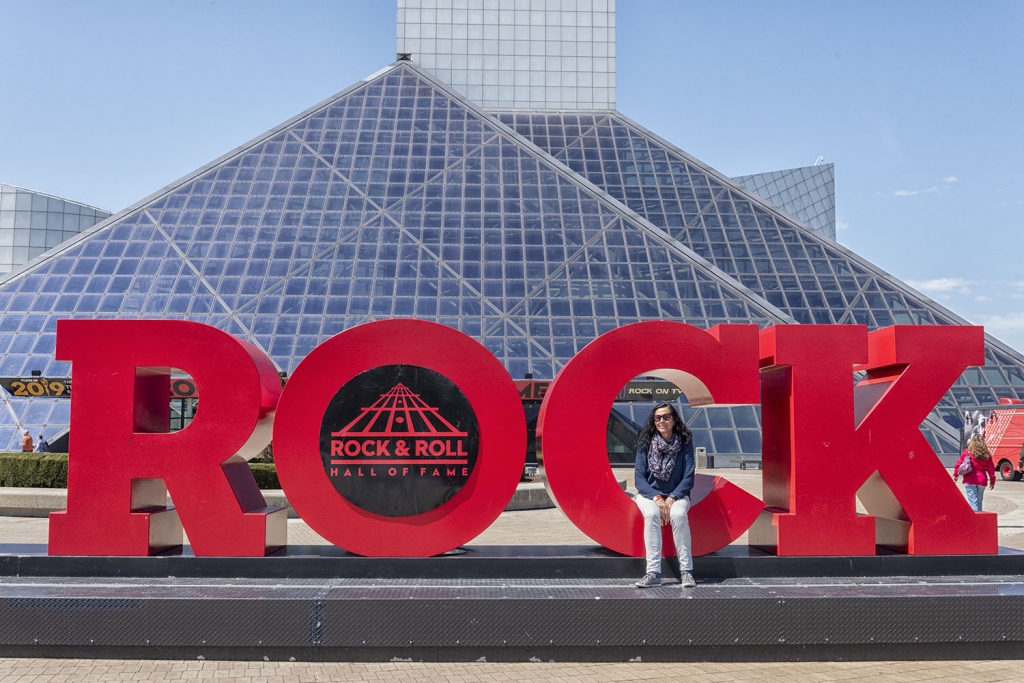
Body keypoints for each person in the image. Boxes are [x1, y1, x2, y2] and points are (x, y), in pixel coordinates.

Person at [633, 402, 696, 589]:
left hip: (677, 495)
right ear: (654, 421)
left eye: (666, 417)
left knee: (678, 515)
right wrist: (657, 498)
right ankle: (653, 573)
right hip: (649, 495)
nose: (662, 421)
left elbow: (688, 477)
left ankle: (686, 571)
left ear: (674, 419)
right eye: (658, 418)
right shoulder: (645, 443)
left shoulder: (684, 443)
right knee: (652, 514)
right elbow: (639, 479)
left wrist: (673, 497)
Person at [953, 433, 996, 512]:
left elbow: (959, 464)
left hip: (969, 480)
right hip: (982, 481)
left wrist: (956, 475)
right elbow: (991, 469)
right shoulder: (986, 454)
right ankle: (979, 517)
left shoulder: (967, 452)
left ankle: (975, 518)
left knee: (973, 501)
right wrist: (992, 481)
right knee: (979, 502)